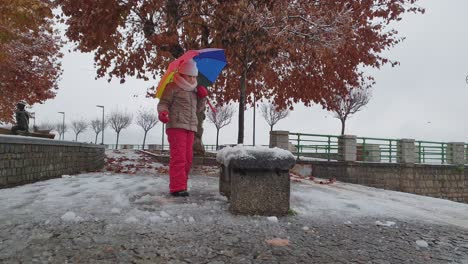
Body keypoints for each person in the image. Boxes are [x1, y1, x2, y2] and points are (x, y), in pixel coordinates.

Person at [157, 59, 208, 197]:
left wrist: (202, 97)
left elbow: (198, 109)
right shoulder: (172, 87)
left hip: (191, 126)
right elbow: (163, 103)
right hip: (176, 125)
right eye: (189, 76)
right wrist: (163, 112)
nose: (192, 79)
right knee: (179, 157)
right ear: (182, 74)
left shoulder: (194, 91)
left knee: (188, 158)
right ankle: (177, 187)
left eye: (194, 76)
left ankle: (182, 185)